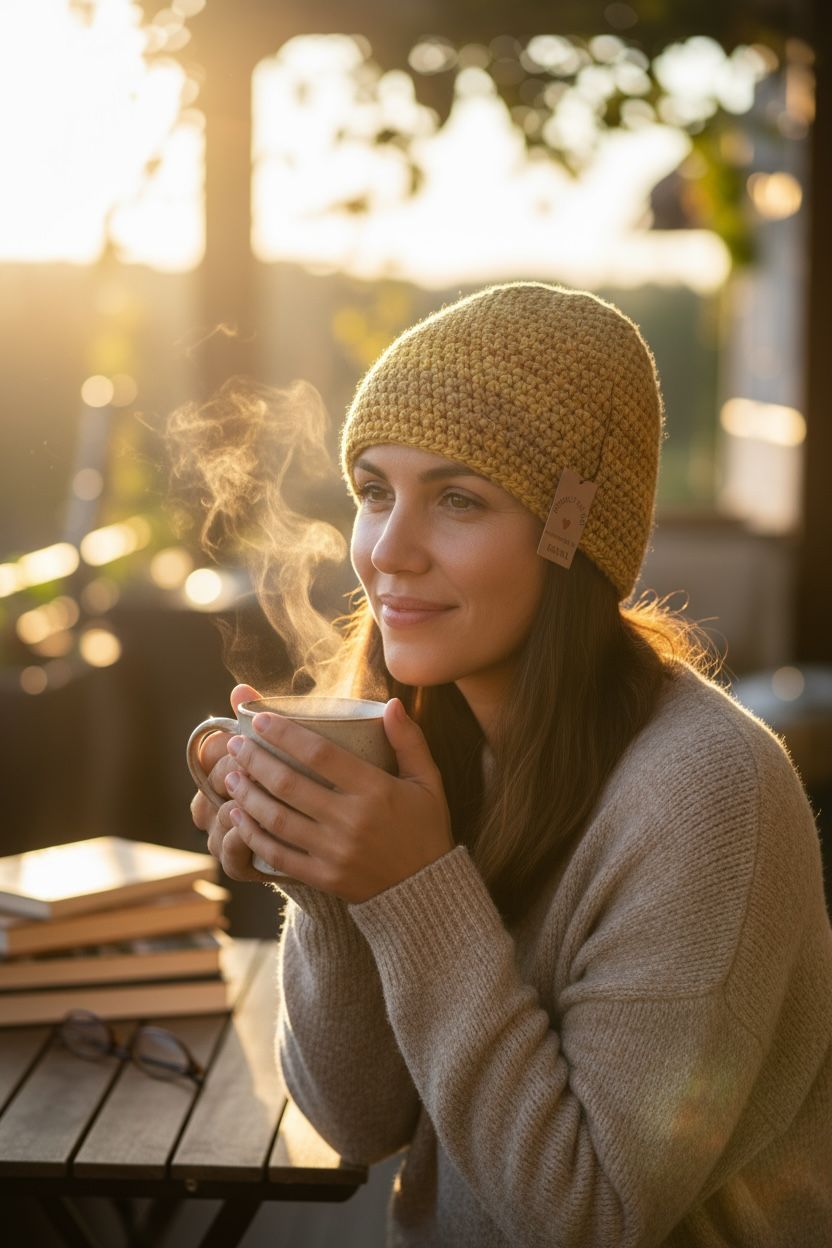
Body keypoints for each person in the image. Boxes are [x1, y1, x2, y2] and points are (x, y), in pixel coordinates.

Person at [191, 282, 832, 1247]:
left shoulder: (708, 795)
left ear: (571, 535)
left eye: (457, 499)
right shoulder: (432, 743)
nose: (386, 552)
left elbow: (587, 1217)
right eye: (373, 491)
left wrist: (409, 887)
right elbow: (359, 1122)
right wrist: (327, 883)